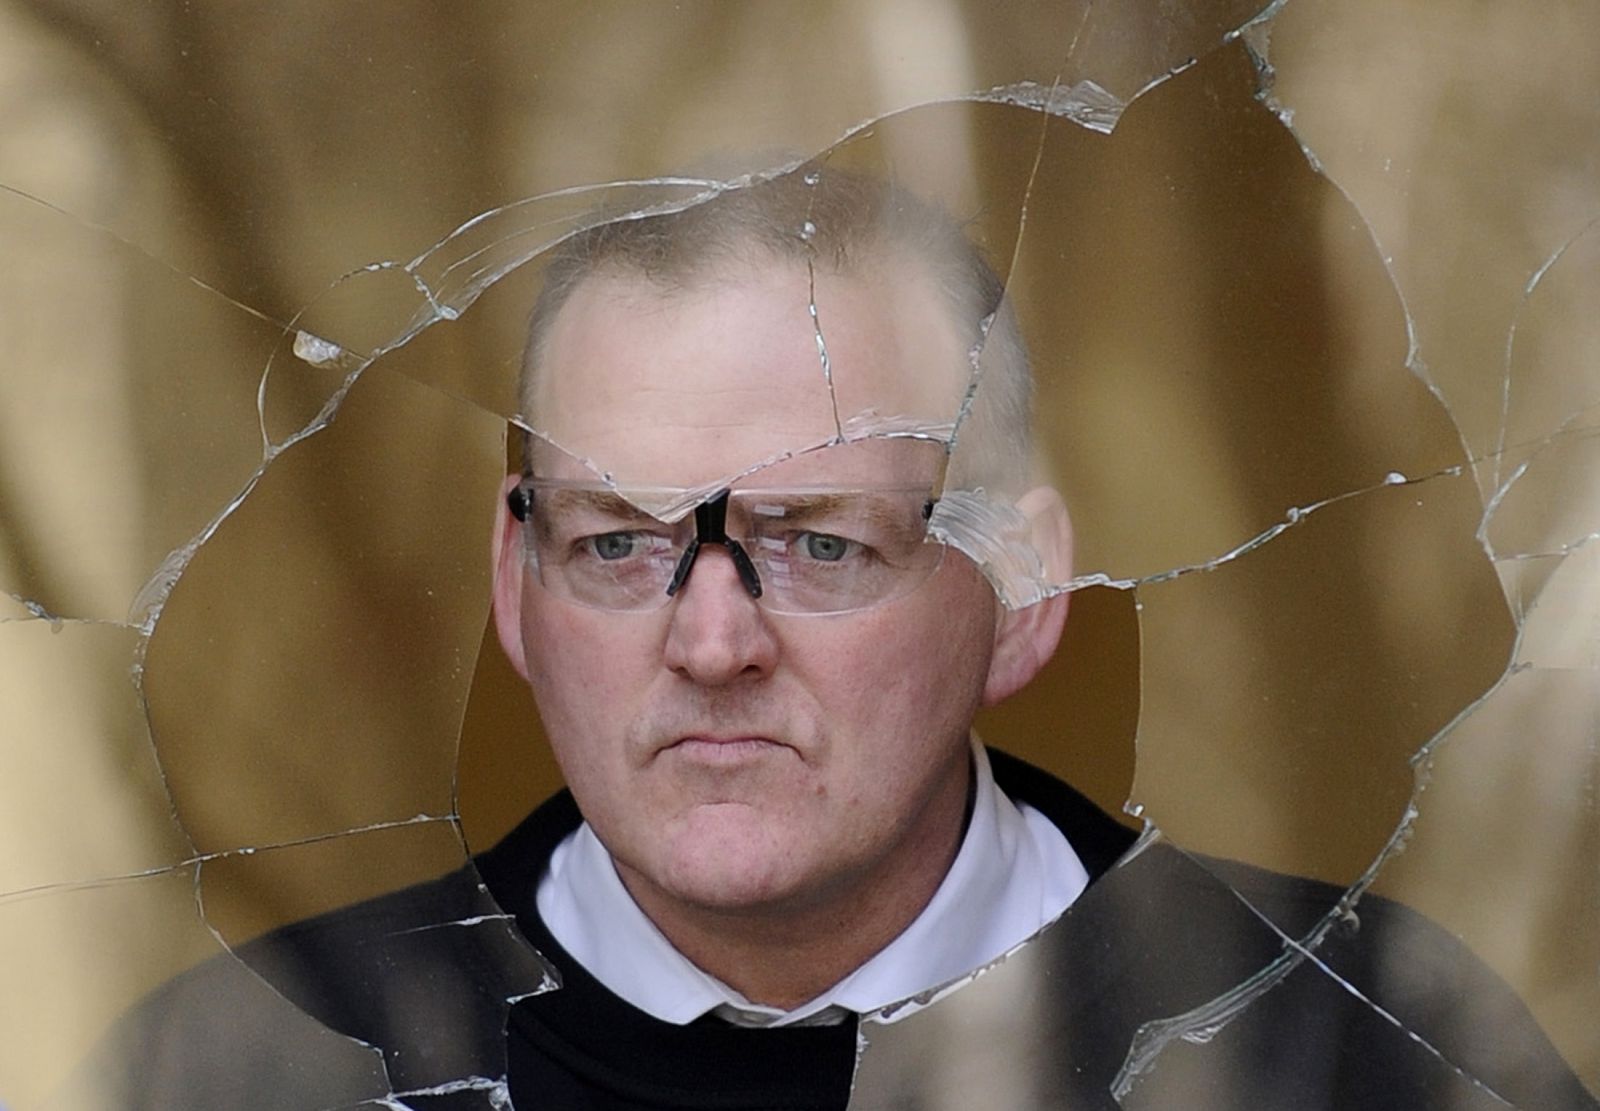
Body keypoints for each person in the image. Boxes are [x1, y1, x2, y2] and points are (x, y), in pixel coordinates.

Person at [72, 167, 1597, 1111]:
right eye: (619, 543)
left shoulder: (1350, 1055)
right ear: (514, 586)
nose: (713, 639)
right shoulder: (259, 1067)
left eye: (819, 544)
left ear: (1022, 587)